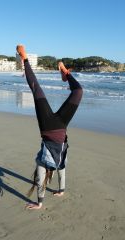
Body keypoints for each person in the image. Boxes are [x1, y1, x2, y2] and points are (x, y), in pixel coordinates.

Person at [16, 45, 83, 210]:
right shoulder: (60, 160)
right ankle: (65, 72)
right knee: (79, 91)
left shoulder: (42, 162)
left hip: (47, 125)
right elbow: (62, 171)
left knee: (36, 89)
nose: (47, 173)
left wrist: (39, 203)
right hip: (61, 125)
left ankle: (25, 58)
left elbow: (40, 180)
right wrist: (61, 191)